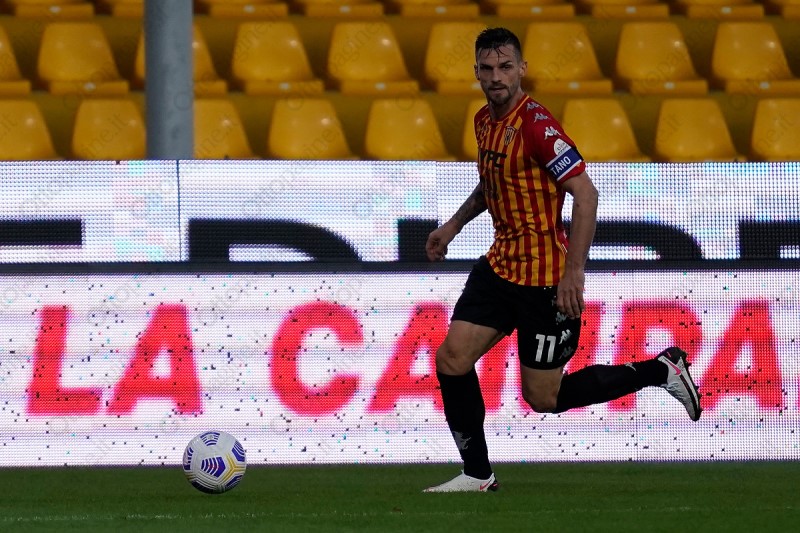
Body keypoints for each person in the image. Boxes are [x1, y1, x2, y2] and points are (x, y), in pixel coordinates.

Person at [423, 27, 702, 493]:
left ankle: (661, 370)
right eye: (488, 68)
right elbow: (494, 184)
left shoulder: (537, 127)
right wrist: (452, 226)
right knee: (452, 359)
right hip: (500, 269)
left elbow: (586, 194)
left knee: (543, 397)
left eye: (505, 67)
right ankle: (477, 474)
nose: (496, 76)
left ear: (522, 69)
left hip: (546, 282)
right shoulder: (484, 121)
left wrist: (574, 273)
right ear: (476, 72)